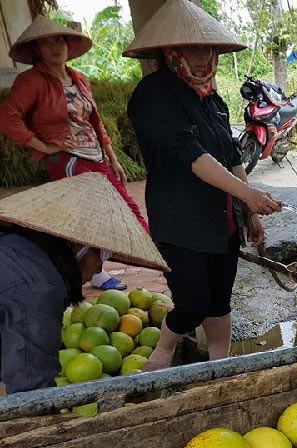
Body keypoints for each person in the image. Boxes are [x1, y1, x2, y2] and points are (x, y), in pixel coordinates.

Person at [124, 0, 282, 371]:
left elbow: (231, 156)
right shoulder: (153, 95)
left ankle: (218, 368)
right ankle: (161, 354)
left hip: (221, 221)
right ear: (171, 51)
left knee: (219, 300)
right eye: (193, 49)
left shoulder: (214, 100)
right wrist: (248, 194)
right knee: (192, 302)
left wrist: (247, 211)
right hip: (180, 221)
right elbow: (192, 156)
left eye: (207, 49)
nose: (202, 57)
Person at [0, 16, 149, 291]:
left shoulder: (79, 79)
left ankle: (114, 265)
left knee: (125, 208)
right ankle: (79, 280)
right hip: (67, 159)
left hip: (95, 155)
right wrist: (42, 146)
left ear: (69, 45)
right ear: (38, 51)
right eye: (46, 43)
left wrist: (112, 158)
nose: (54, 47)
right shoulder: (31, 81)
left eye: (59, 40)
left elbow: (95, 121)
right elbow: (8, 117)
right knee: (88, 217)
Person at [0, 173, 168, 394]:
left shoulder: (19, 247)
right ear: (76, 245)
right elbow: (30, 389)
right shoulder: (38, 289)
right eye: (104, 255)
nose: (100, 268)